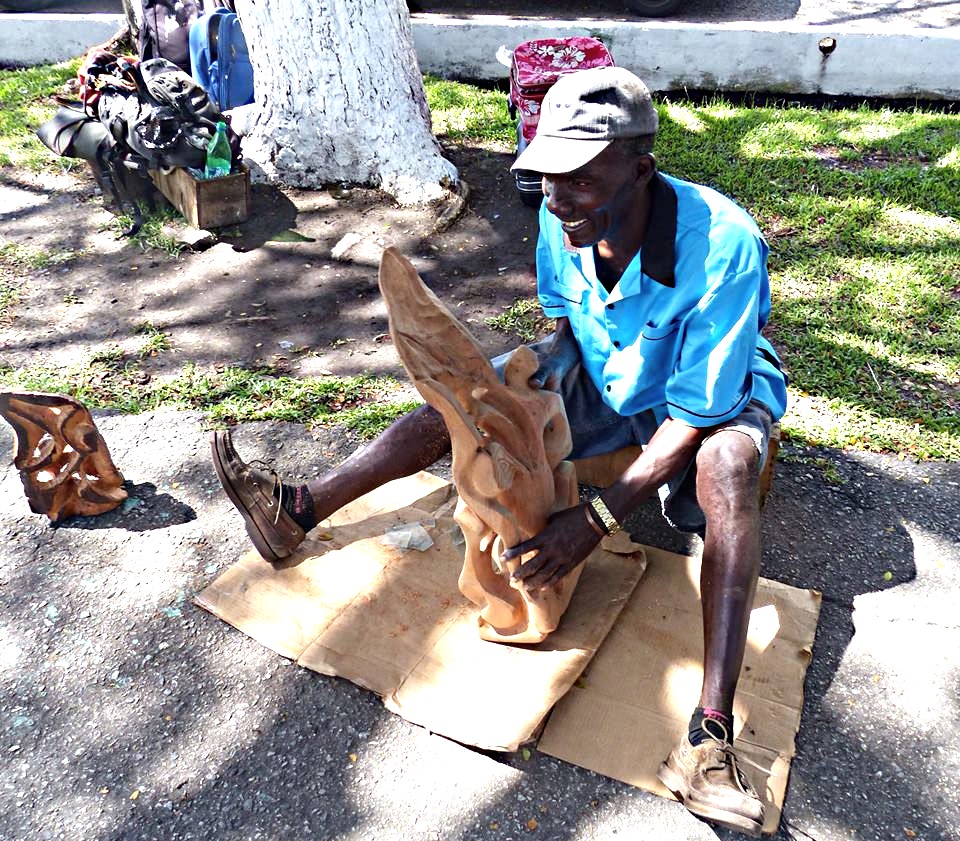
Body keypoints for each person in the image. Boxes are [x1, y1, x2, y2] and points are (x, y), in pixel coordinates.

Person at [211, 65, 787, 836]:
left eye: (580, 179)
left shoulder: (722, 245)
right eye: (547, 175)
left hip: (707, 402)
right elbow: (568, 326)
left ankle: (710, 734)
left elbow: (693, 412)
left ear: (641, 169)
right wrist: (522, 384)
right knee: (474, 400)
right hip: (612, 379)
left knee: (722, 472)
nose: (557, 198)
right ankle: (301, 507)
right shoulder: (561, 217)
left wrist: (594, 521)